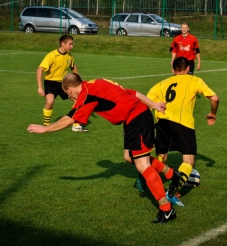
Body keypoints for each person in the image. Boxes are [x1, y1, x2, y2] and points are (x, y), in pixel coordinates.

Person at [27, 73, 182, 223]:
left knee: (142, 165)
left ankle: (166, 209)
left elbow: (70, 119)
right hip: (132, 118)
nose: (70, 98)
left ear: (69, 89)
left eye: (68, 95)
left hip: (137, 118)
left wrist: (45, 128)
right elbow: (133, 93)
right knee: (129, 157)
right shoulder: (97, 82)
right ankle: (171, 174)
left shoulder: (86, 95)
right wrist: (153, 104)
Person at [146, 57, 219, 200]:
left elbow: (145, 104)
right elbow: (215, 98)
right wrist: (212, 113)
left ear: (173, 69)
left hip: (161, 122)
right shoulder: (194, 80)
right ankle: (172, 191)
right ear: (188, 69)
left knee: (161, 157)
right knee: (188, 161)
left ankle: (145, 180)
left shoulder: (161, 84)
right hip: (182, 123)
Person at [36, 34, 87, 132]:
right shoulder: (51, 55)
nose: (72, 46)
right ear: (63, 44)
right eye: (70, 44)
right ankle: (46, 124)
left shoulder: (70, 56)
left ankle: (76, 125)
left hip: (64, 84)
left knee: (79, 100)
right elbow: (39, 70)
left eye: (72, 44)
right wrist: (40, 87)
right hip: (50, 83)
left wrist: (80, 83)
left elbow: (74, 69)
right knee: (50, 102)